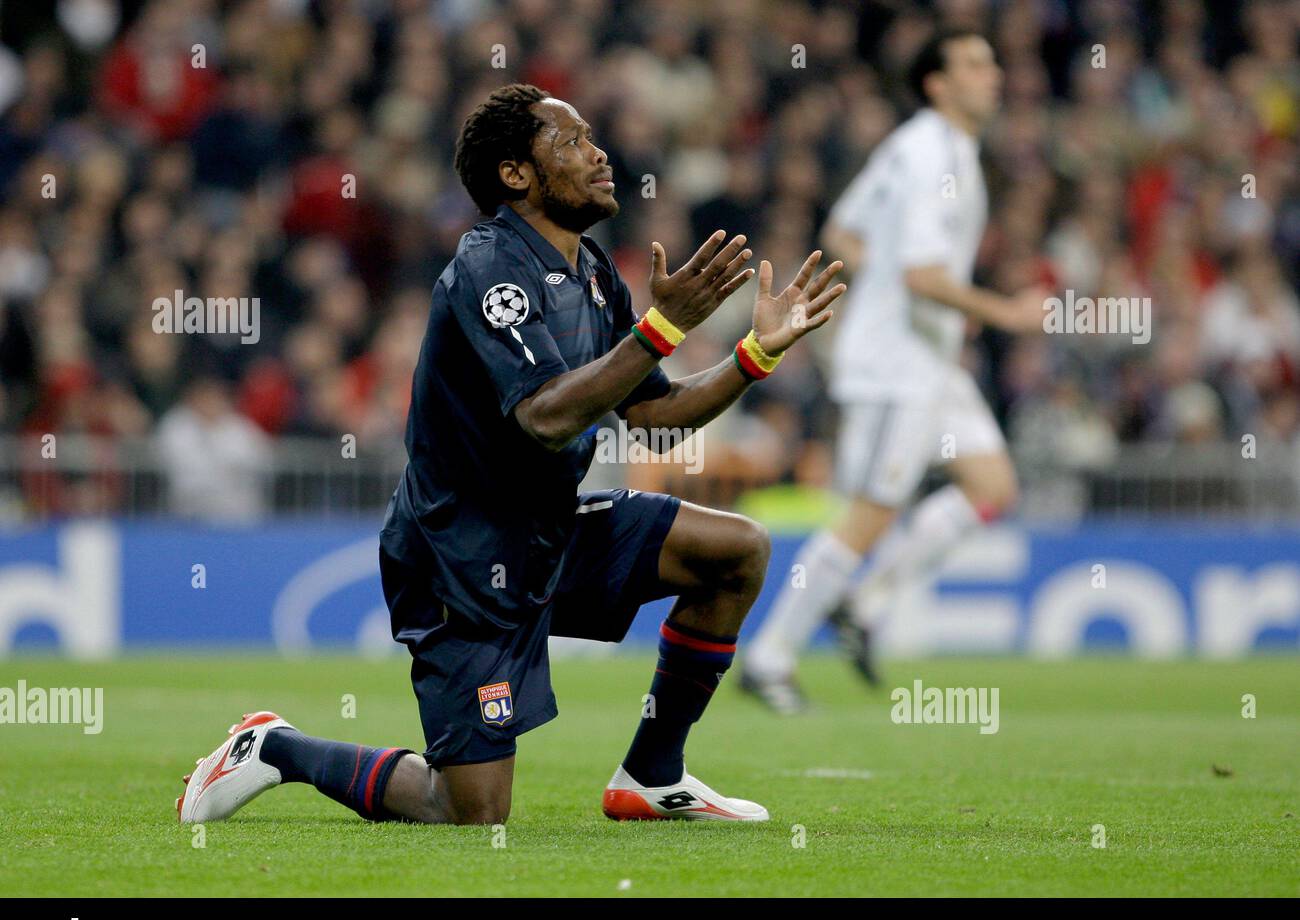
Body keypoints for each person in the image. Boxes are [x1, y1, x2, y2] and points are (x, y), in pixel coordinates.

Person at [176, 83, 845, 825]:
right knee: (470, 812)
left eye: (594, 137)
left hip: (550, 530)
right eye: (571, 142)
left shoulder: (592, 272)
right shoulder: (489, 268)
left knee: (737, 550)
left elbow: (654, 414)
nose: (598, 153)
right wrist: (661, 327)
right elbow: (546, 416)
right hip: (458, 555)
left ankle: (652, 776)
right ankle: (274, 748)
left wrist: (755, 354)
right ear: (516, 174)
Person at [741, 29, 1045, 713]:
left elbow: (844, 230)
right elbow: (922, 274)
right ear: (936, 84)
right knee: (871, 514)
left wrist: (879, 289)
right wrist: (1007, 313)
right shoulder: (930, 153)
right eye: (974, 64)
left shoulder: (924, 147)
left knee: (993, 486)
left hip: (926, 355)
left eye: (992, 63)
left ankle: (864, 602)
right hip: (897, 366)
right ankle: (768, 658)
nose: (993, 75)